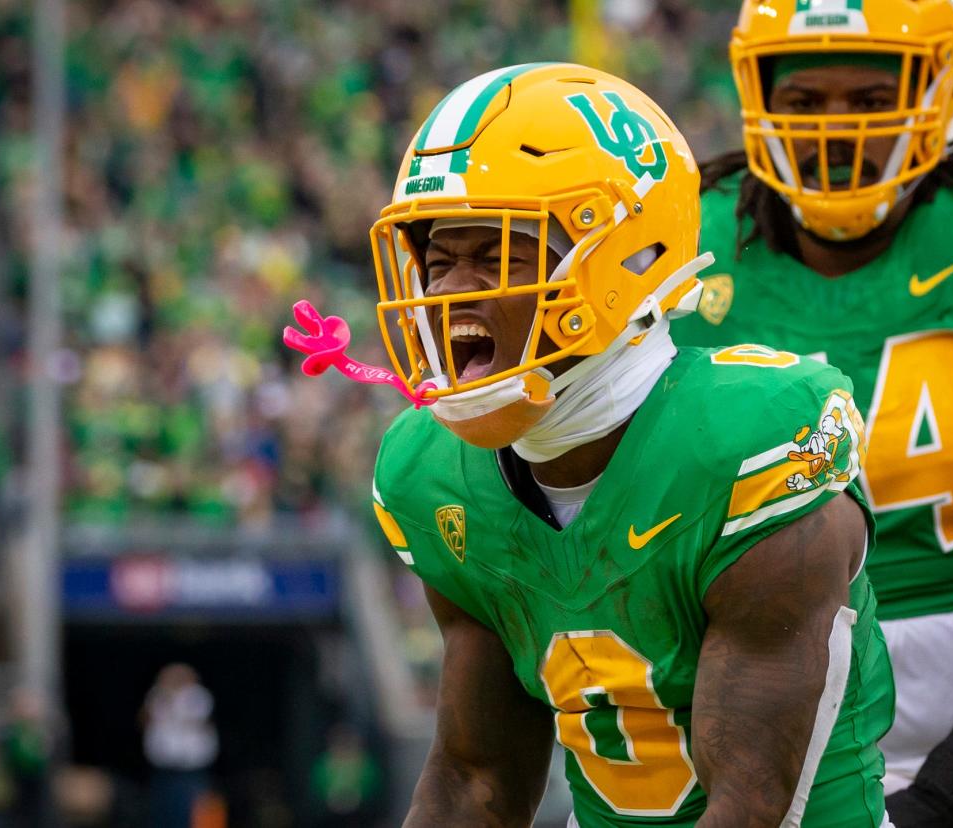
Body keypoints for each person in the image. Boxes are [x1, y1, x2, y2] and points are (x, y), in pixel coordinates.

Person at [288, 62, 895, 827]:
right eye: (438, 261)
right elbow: (476, 780)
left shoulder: (749, 442)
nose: (446, 294)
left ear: (626, 258)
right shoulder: (434, 475)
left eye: (497, 253)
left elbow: (752, 803)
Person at [671, 2, 953, 826]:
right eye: (808, 99)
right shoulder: (690, 247)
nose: (838, 130)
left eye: (868, 98)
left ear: (940, 86)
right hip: (771, 677)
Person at [141, 663, 219, 828]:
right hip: (164, 767)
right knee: (162, 811)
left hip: (190, 769)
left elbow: (192, 717)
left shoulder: (197, 695)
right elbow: (146, 718)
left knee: (189, 811)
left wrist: (172, 698)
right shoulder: (157, 695)